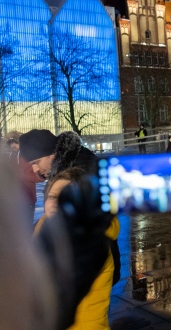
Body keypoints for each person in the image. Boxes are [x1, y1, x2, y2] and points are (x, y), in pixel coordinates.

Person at [20, 129, 121, 284]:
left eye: (36, 162)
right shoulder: (62, 168)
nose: (35, 169)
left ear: (51, 153)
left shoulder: (81, 170)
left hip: (90, 270)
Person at [34, 167, 120, 329]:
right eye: (53, 197)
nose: (57, 205)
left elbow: (89, 313)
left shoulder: (88, 247)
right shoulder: (38, 231)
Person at [6, 136, 42, 224]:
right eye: (13, 148)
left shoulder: (9, 158)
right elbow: (36, 177)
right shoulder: (24, 158)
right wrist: (43, 174)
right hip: (26, 199)